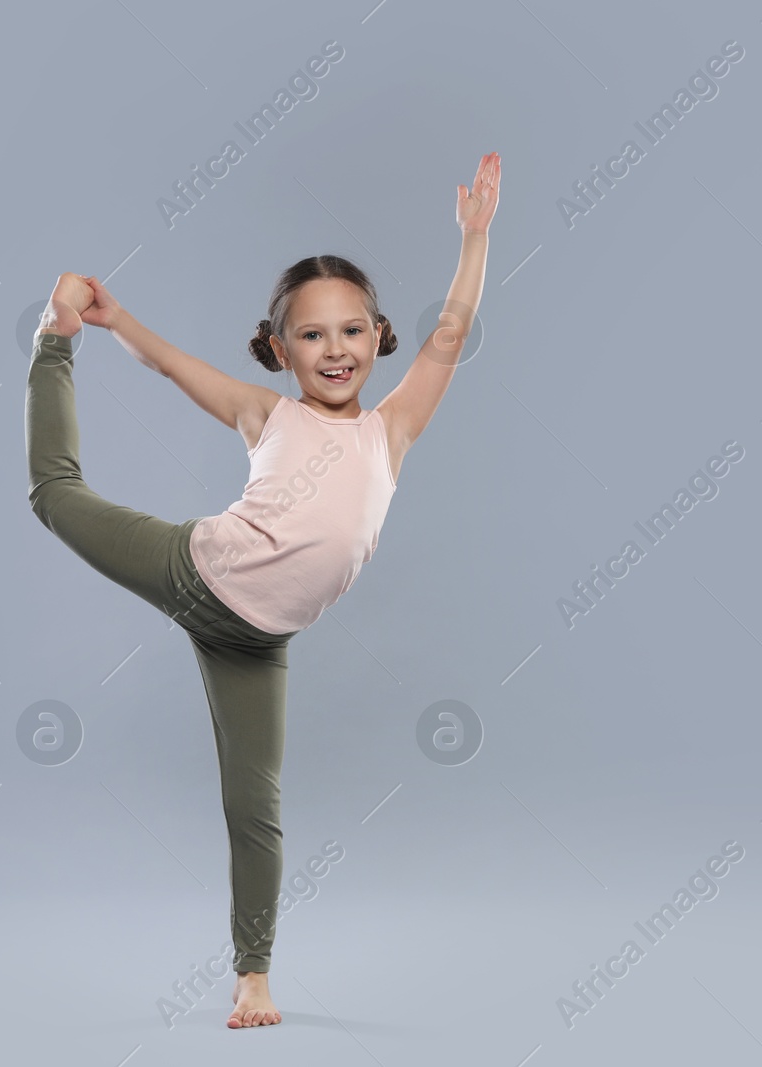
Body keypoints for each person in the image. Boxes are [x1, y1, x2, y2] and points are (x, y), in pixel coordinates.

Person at [25, 152, 500, 1027]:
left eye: (352, 331)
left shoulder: (392, 431)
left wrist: (473, 239)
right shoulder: (265, 412)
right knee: (55, 497)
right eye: (312, 335)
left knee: (255, 806)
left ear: (378, 337)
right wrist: (106, 317)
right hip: (193, 567)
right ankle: (49, 346)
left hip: (256, 642)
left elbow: (453, 332)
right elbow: (168, 365)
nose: (335, 350)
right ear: (281, 349)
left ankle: (254, 976)